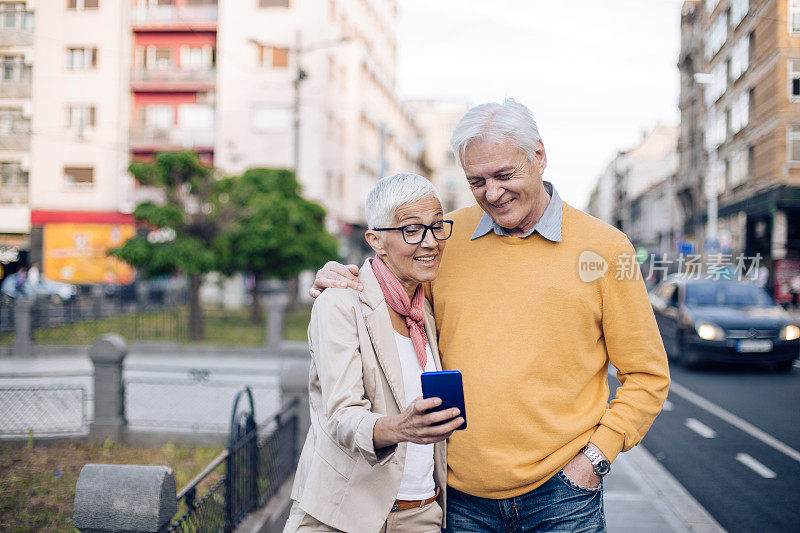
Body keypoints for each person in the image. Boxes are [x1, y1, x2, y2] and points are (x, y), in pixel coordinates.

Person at [311, 98, 670, 532]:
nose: (492, 193)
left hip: (563, 497)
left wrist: (595, 460)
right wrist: (339, 278)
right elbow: (389, 292)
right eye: (476, 180)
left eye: (504, 175)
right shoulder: (444, 237)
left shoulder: (611, 249)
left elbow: (648, 375)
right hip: (459, 500)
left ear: (538, 155)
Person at [285, 173, 464, 533]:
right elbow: (341, 416)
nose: (430, 242)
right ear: (375, 240)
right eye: (412, 230)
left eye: (436, 226)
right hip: (344, 514)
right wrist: (400, 427)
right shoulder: (339, 302)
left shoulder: (426, 308)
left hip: (422, 513)